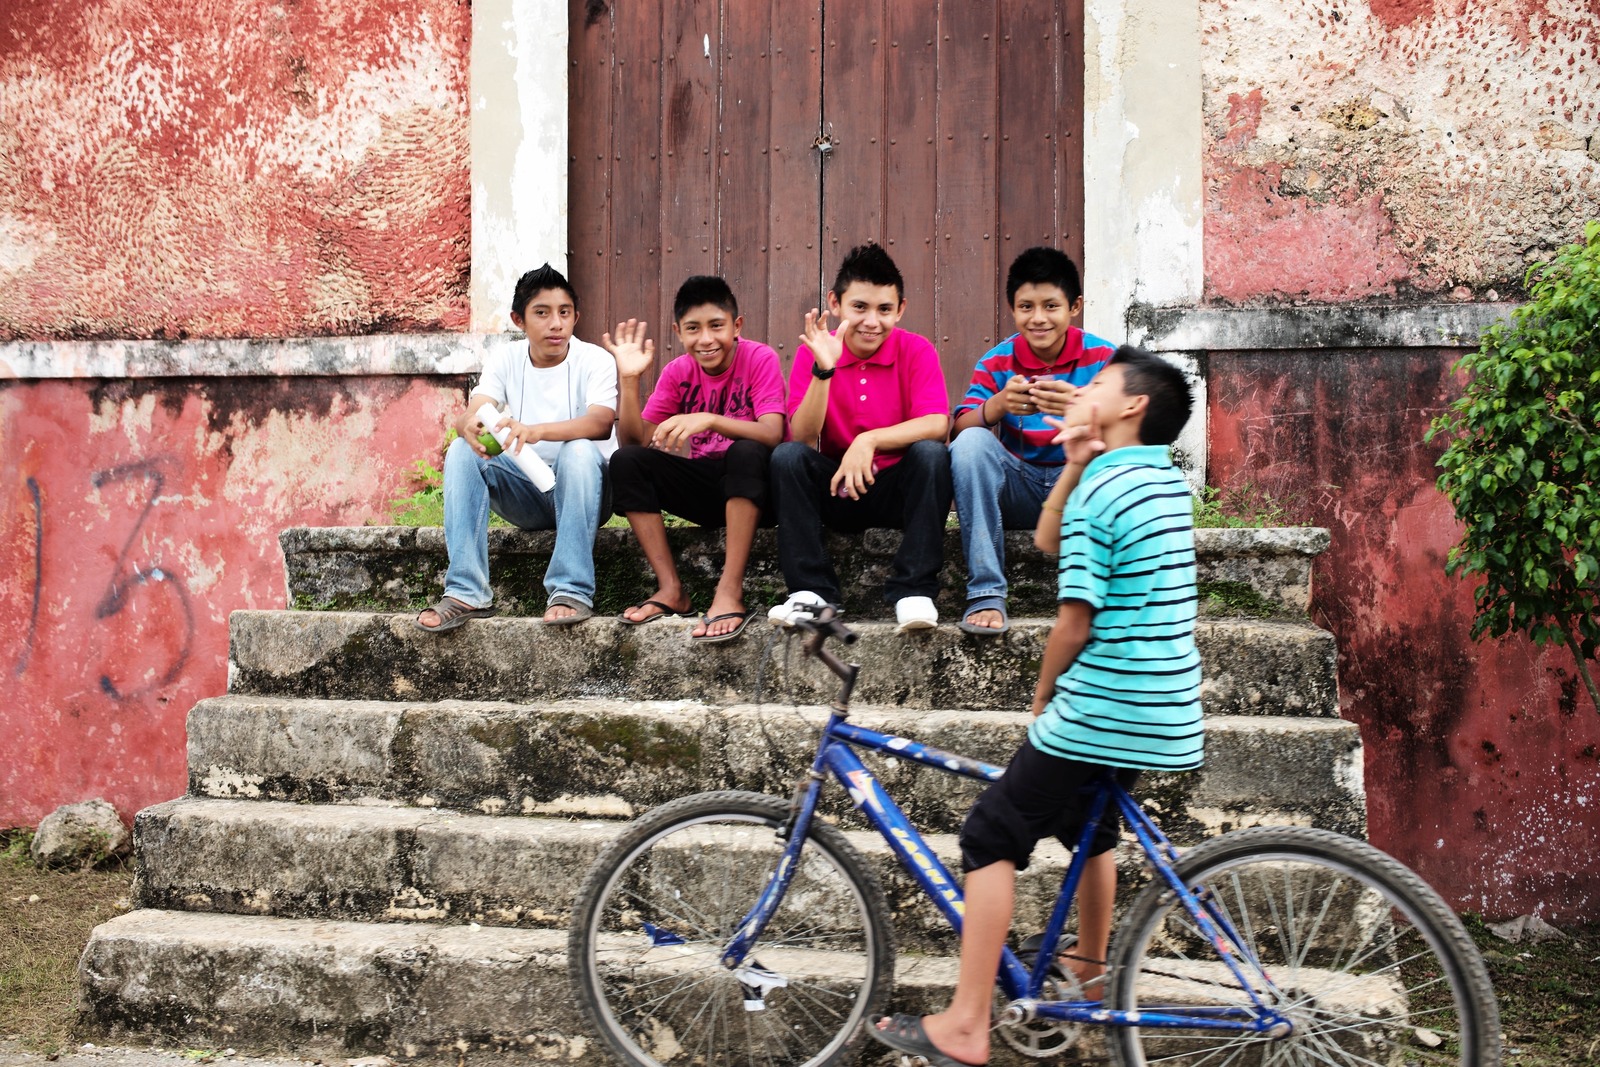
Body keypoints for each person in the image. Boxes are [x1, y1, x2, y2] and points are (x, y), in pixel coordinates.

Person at [869, 347, 1203, 1067]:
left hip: (1106, 700)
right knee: (1093, 828)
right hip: (1162, 701)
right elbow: (1051, 542)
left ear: (1130, 408)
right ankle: (1085, 971)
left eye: (1100, 384)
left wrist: (1044, 693)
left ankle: (964, 1021)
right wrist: (1078, 462)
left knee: (991, 833)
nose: (1083, 389)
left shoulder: (1102, 494)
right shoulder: (1155, 482)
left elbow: (1074, 619)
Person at [416, 264, 617, 631]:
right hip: (529, 493)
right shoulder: (506, 359)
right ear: (518, 319)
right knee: (462, 450)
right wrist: (467, 426)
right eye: (542, 313)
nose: (556, 324)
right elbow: (474, 412)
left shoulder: (595, 360)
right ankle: (466, 592)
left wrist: (537, 431)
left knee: (578, 449)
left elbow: (601, 423)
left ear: (576, 317)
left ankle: (570, 590)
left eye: (565, 313)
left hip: (588, 492)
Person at [768, 243, 952, 632]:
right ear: (835, 304)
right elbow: (802, 435)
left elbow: (937, 423)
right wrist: (825, 369)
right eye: (860, 307)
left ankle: (914, 589)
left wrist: (867, 441)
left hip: (893, 491)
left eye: (884, 310)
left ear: (900, 309)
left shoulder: (916, 350)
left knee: (932, 454)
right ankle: (811, 593)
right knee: (787, 458)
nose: (872, 321)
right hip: (837, 487)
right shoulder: (817, 352)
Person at [605, 275, 786, 642]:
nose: (705, 339)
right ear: (678, 331)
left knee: (746, 451)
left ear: (737, 326)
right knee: (627, 462)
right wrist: (628, 381)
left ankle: (729, 589)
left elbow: (772, 433)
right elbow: (633, 442)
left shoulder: (759, 358)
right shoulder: (678, 373)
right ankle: (671, 588)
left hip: (758, 492)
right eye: (693, 329)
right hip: (709, 490)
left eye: (716, 326)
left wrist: (710, 419)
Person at [948, 247, 1116, 636]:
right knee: (971, 443)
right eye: (1026, 306)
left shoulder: (1106, 357)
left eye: (1051, 306)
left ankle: (1098, 594)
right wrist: (997, 405)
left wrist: (1081, 408)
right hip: (1017, 491)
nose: (1038, 318)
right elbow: (961, 427)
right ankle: (986, 593)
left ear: (1074, 306)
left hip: (1075, 491)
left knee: (1111, 454)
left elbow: (1132, 433)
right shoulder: (996, 360)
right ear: (1012, 308)